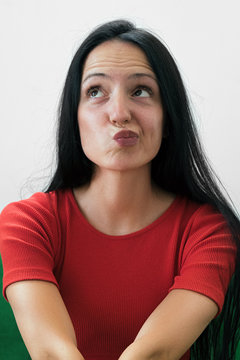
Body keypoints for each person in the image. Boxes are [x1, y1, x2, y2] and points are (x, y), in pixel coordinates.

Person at [0, 19, 239, 360]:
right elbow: (52, 353)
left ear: (168, 117)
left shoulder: (210, 231)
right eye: (95, 91)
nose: (119, 113)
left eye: (141, 90)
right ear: (74, 118)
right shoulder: (28, 223)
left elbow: (152, 353)